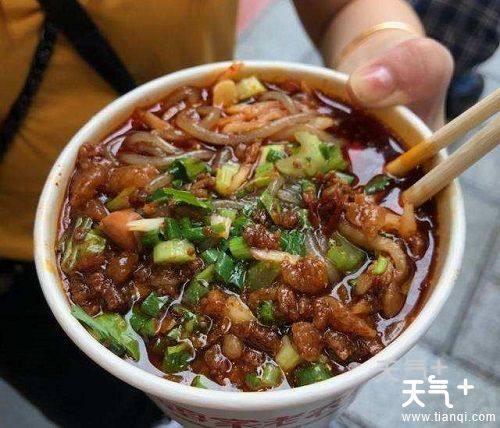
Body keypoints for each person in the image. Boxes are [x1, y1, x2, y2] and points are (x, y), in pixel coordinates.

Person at [0, 1, 497, 426]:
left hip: (203, 129)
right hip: (14, 279)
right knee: (103, 408)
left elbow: (342, 8)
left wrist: (383, 49)